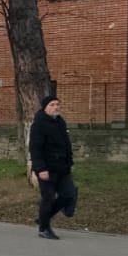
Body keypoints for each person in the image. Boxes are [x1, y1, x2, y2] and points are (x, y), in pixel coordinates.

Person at [29, 94, 76, 240]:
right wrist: (40, 169)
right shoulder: (39, 124)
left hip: (62, 167)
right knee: (48, 198)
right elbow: (35, 148)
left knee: (68, 195)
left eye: (57, 104)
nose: (56, 107)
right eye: (52, 105)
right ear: (45, 108)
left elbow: (66, 145)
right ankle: (44, 229)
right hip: (47, 168)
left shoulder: (60, 122)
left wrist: (69, 162)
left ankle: (43, 218)